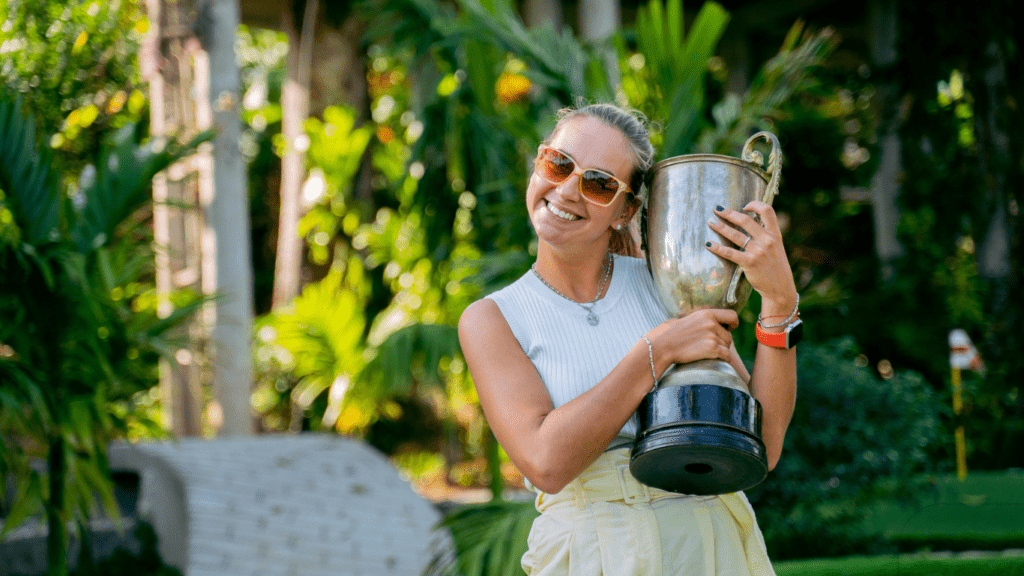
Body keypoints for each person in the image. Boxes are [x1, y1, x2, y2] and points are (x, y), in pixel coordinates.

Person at [458, 102, 798, 576]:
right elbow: (546, 462)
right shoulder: (493, 318)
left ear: (626, 210)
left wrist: (780, 306)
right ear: (538, 164)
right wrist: (655, 354)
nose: (568, 190)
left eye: (599, 184)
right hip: (589, 555)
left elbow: (761, 442)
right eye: (558, 164)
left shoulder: (668, 285)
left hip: (706, 543)